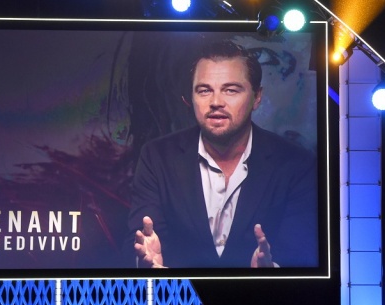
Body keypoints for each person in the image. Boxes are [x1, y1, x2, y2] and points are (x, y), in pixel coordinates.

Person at [128, 39, 317, 269]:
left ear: (257, 97)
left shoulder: (297, 164)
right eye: (204, 90)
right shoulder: (157, 157)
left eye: (231, 90)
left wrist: (272, 271)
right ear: (190, 98)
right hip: (182, 300)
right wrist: (147, 262)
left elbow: (300, 253)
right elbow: (140, 239)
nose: (216, 102)